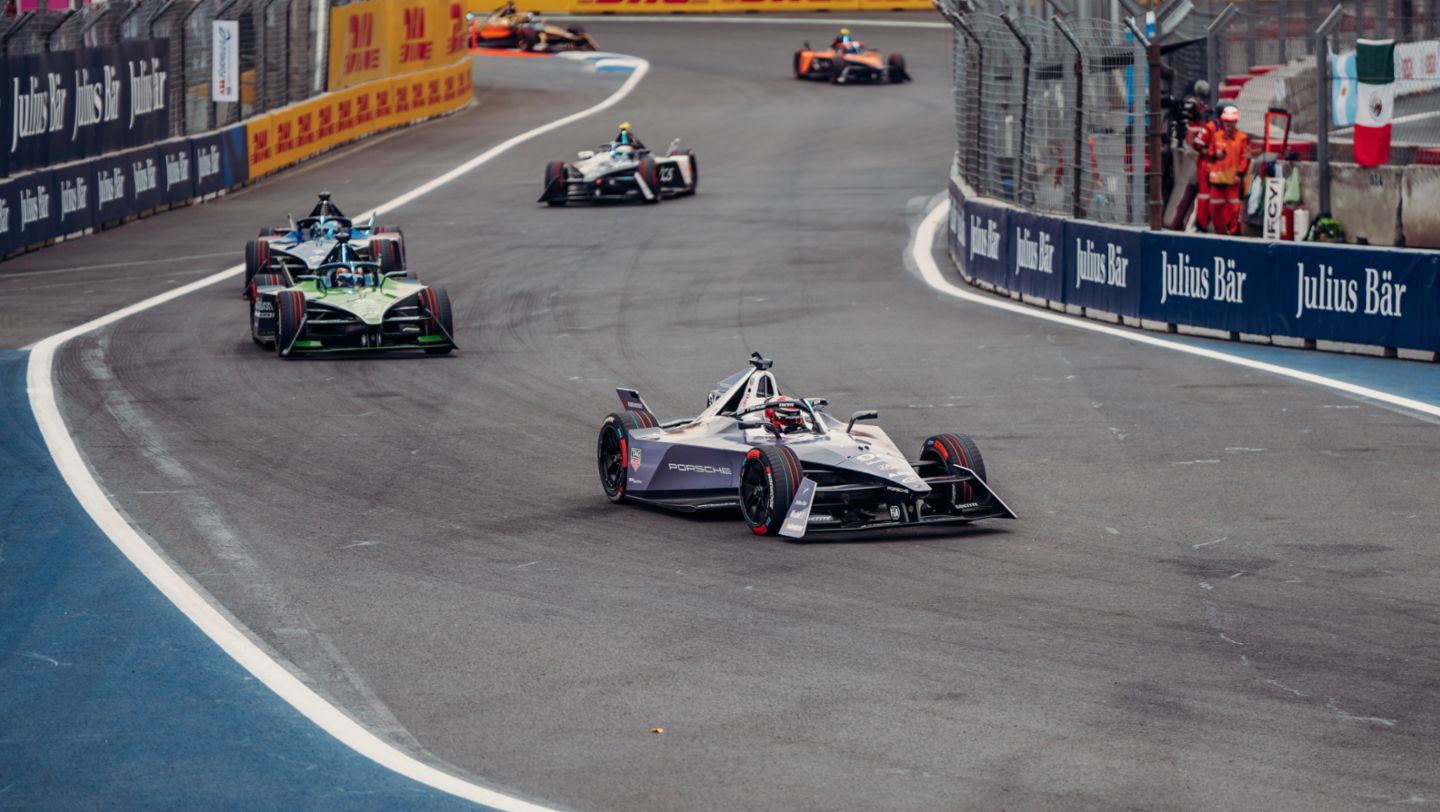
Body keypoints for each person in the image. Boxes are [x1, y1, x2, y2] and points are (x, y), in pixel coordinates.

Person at [1207, 105, 1251, 236]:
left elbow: (1245, 158)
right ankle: (1220, 233)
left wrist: (1240, 174)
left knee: (1235, 209)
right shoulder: (1216, 137)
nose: (1228, 125)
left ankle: (1234, 234)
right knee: (1214, 208)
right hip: (1217, 181)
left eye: (1231, 122)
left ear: (1236, 122)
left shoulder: (1242, 138)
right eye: (1226, 122)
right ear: (1222, 121)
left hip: (1233, 181)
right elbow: (1210, 153)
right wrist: (1215, 155)